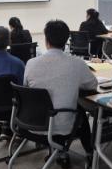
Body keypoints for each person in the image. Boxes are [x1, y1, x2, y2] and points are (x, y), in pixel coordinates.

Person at [24, 20, 97, 154]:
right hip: (63, 127)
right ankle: (90, 152)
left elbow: (25, 88)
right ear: (66, 41)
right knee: (80, 108)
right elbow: (93, 85)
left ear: (46, 40)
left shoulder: (30, 63)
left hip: (32, 123)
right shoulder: (77, 64)